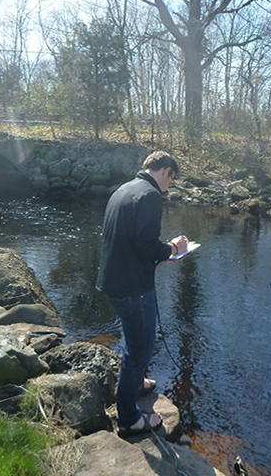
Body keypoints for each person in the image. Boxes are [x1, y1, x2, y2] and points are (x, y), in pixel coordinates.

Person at [96, 150, 188, 437]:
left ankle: (134, 384)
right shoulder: (149, 195)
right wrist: (174, 249)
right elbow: (147, 247)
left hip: (114, 283)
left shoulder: (124, 189)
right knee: (140, 349)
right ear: (166, 171)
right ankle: (128, 417)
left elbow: (127, 240)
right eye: (171, 180)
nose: (169, 186)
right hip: (133, 288)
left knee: (132, 340)